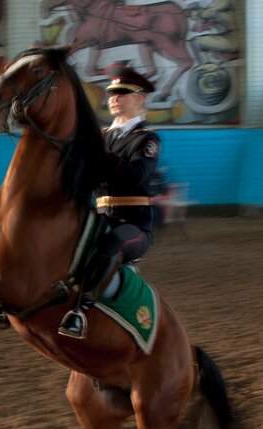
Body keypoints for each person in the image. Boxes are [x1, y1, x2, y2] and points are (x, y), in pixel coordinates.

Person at [59, 65, 162, 339]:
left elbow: (135, 175)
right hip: (100, 218)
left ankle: (82, 310)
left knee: (111, 243)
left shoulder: (147, 139)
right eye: (111, 94)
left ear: (139, 98)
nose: (114, 98)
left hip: (133, 225)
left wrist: (97, 153)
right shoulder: (103, 137)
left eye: (122, 93)